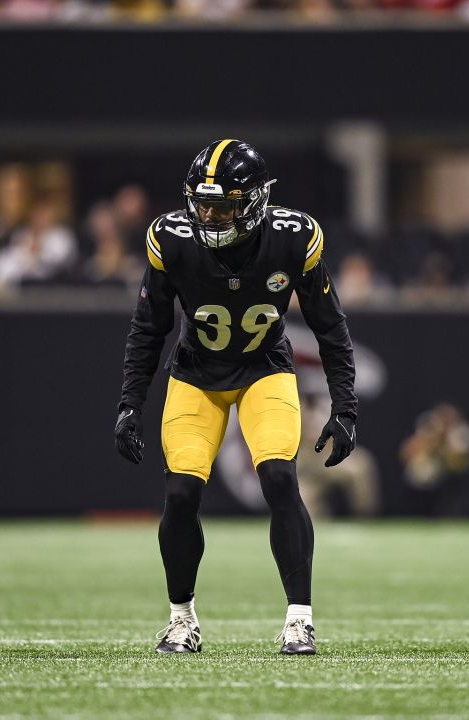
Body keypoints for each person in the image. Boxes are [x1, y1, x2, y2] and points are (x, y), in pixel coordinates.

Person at [114, 140, 357, 656]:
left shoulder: (294, 237)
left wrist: (345, 407)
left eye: (222, 205)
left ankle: (299, 620)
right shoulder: (170, 237)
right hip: (196, 375)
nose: (208, 215)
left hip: (263, 369)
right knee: (180, 496)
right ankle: (182, 620)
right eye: (202, 204)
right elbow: (149, 327)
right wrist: (131, 402)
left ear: (254, 201)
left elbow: (329, 325)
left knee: (278, 477)